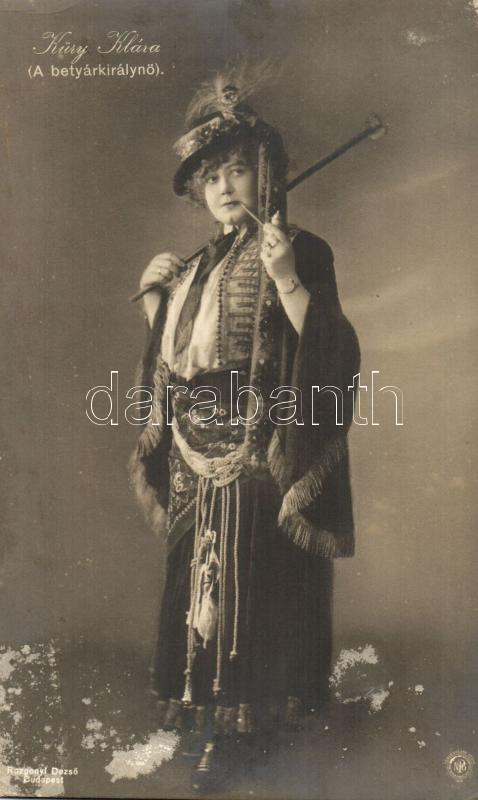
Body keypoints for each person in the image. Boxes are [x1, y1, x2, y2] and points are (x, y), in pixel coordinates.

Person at [130, 67, 360, 792]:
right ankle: (201, 714)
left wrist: (286, 276)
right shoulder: (196, 266)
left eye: (237, 170)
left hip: (260, 439)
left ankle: (240, 728)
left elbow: (332, 349)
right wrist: (156, 302)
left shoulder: (303, 248)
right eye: (211, 177)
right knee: (195, 574)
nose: (225, 186)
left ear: (267, 176)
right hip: (193, 445)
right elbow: (179, 360)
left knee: (244, 574)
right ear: (199, 191)